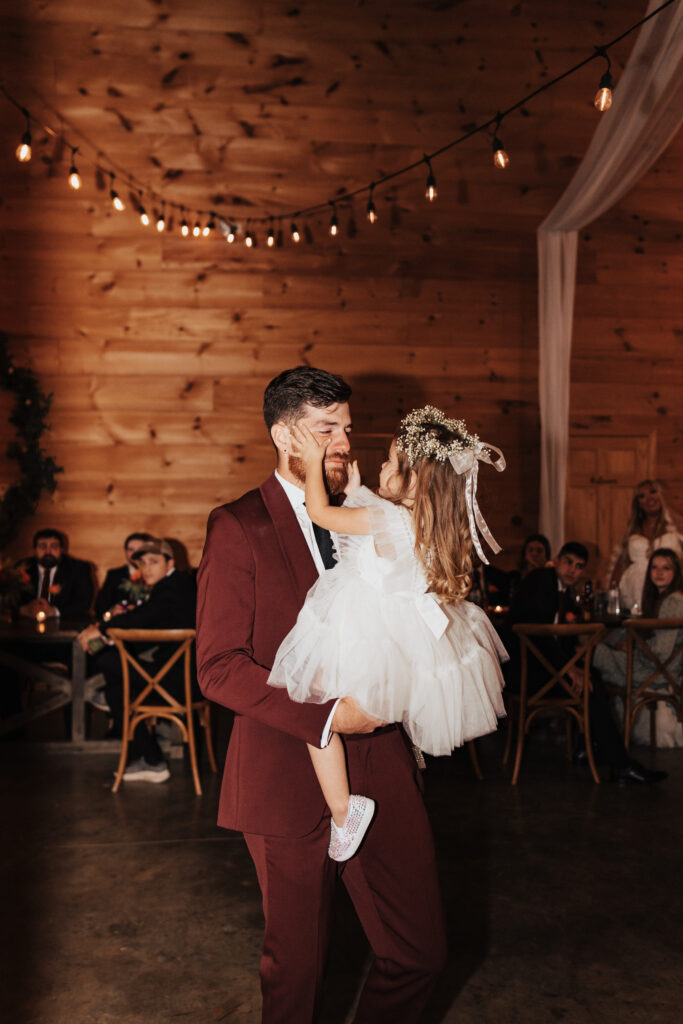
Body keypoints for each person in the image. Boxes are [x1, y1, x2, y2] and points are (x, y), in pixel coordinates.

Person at [196, 367, 448, 1024]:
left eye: (346, 426)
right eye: (325, 427)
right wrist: (330, 713)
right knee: (298, 971)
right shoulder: (238, 526)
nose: (342, 439)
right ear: (284, 434)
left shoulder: (371, 510)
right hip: (285, 769)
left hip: (384, 765)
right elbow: (218, 667)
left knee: (418, 951)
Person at [268, 407, 507, 862]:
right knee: (347, 705)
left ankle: (344, 810)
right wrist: (359, 492)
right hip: (400, 636)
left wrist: (316, 461)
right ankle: (404, 751)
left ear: (413, 481)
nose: (380, 467)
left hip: (360, 629)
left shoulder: (389, 520)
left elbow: (320, 512)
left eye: (390, 463)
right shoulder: (425, 522)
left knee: (311, 710)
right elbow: (380, 526)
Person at [505, 541, 667, 785]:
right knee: (591, 683)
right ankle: (618, 763)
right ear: (557, 560)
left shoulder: (560, 589)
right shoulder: (542, 580)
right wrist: (568, 669)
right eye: (568, 562)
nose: (573, 570)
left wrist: (574, 667)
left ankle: (589, 748)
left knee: (592, 677)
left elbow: (560, 637)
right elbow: (539, 633)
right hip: (524, 674)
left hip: (540, 668)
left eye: (579, 566)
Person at [77, 538, 196, 782]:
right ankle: (150, 760)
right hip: (180, 676)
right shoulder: (177, 584)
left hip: (178, 682)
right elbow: (150, 624)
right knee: (116, 687)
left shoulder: (172, 587)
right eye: (143, 563)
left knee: (107, 664)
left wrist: (100, 629)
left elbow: (142, 617)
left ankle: (151, 760)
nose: (147, 568)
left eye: (154, 562)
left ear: (170, 562)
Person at [594, 549, 683, 748]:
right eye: (654, 567)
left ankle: (597, 739)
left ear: (676, 572)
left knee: (592, 653)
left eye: (666, 568)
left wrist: (634, 647)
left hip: (657, 672)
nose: (659, 572)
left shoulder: (674, 600)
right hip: (652, 666)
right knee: (596, 652)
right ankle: (599, 738)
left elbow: (661, 650)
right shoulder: (661, 599)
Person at [608, 479, 683, 610]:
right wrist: (612, 594)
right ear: (638, 503)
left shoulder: (676, 526)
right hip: (635, 590)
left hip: (669, 589)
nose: (649, 498)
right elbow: (621, 562)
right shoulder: (633, 529)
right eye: (642, 496)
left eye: (653, 492)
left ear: (661, 495)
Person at [19, 528, 93, 619]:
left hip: (64, 623)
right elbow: (7, 603)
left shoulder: (78, 568)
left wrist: (53, 611)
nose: (48, 551)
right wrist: (23, 609)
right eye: (43, 546)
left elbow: (84, 603)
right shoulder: (22, 567)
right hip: (26, 623)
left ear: (61, 549)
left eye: (53, 546)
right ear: (34, 549)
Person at [94, 532, 154, 618]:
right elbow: (100, 607)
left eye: (140, 549)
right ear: (125, 552)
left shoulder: (157, 575)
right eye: (131, 549)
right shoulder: (114, 575)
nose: (135, 553)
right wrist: (112, 611)